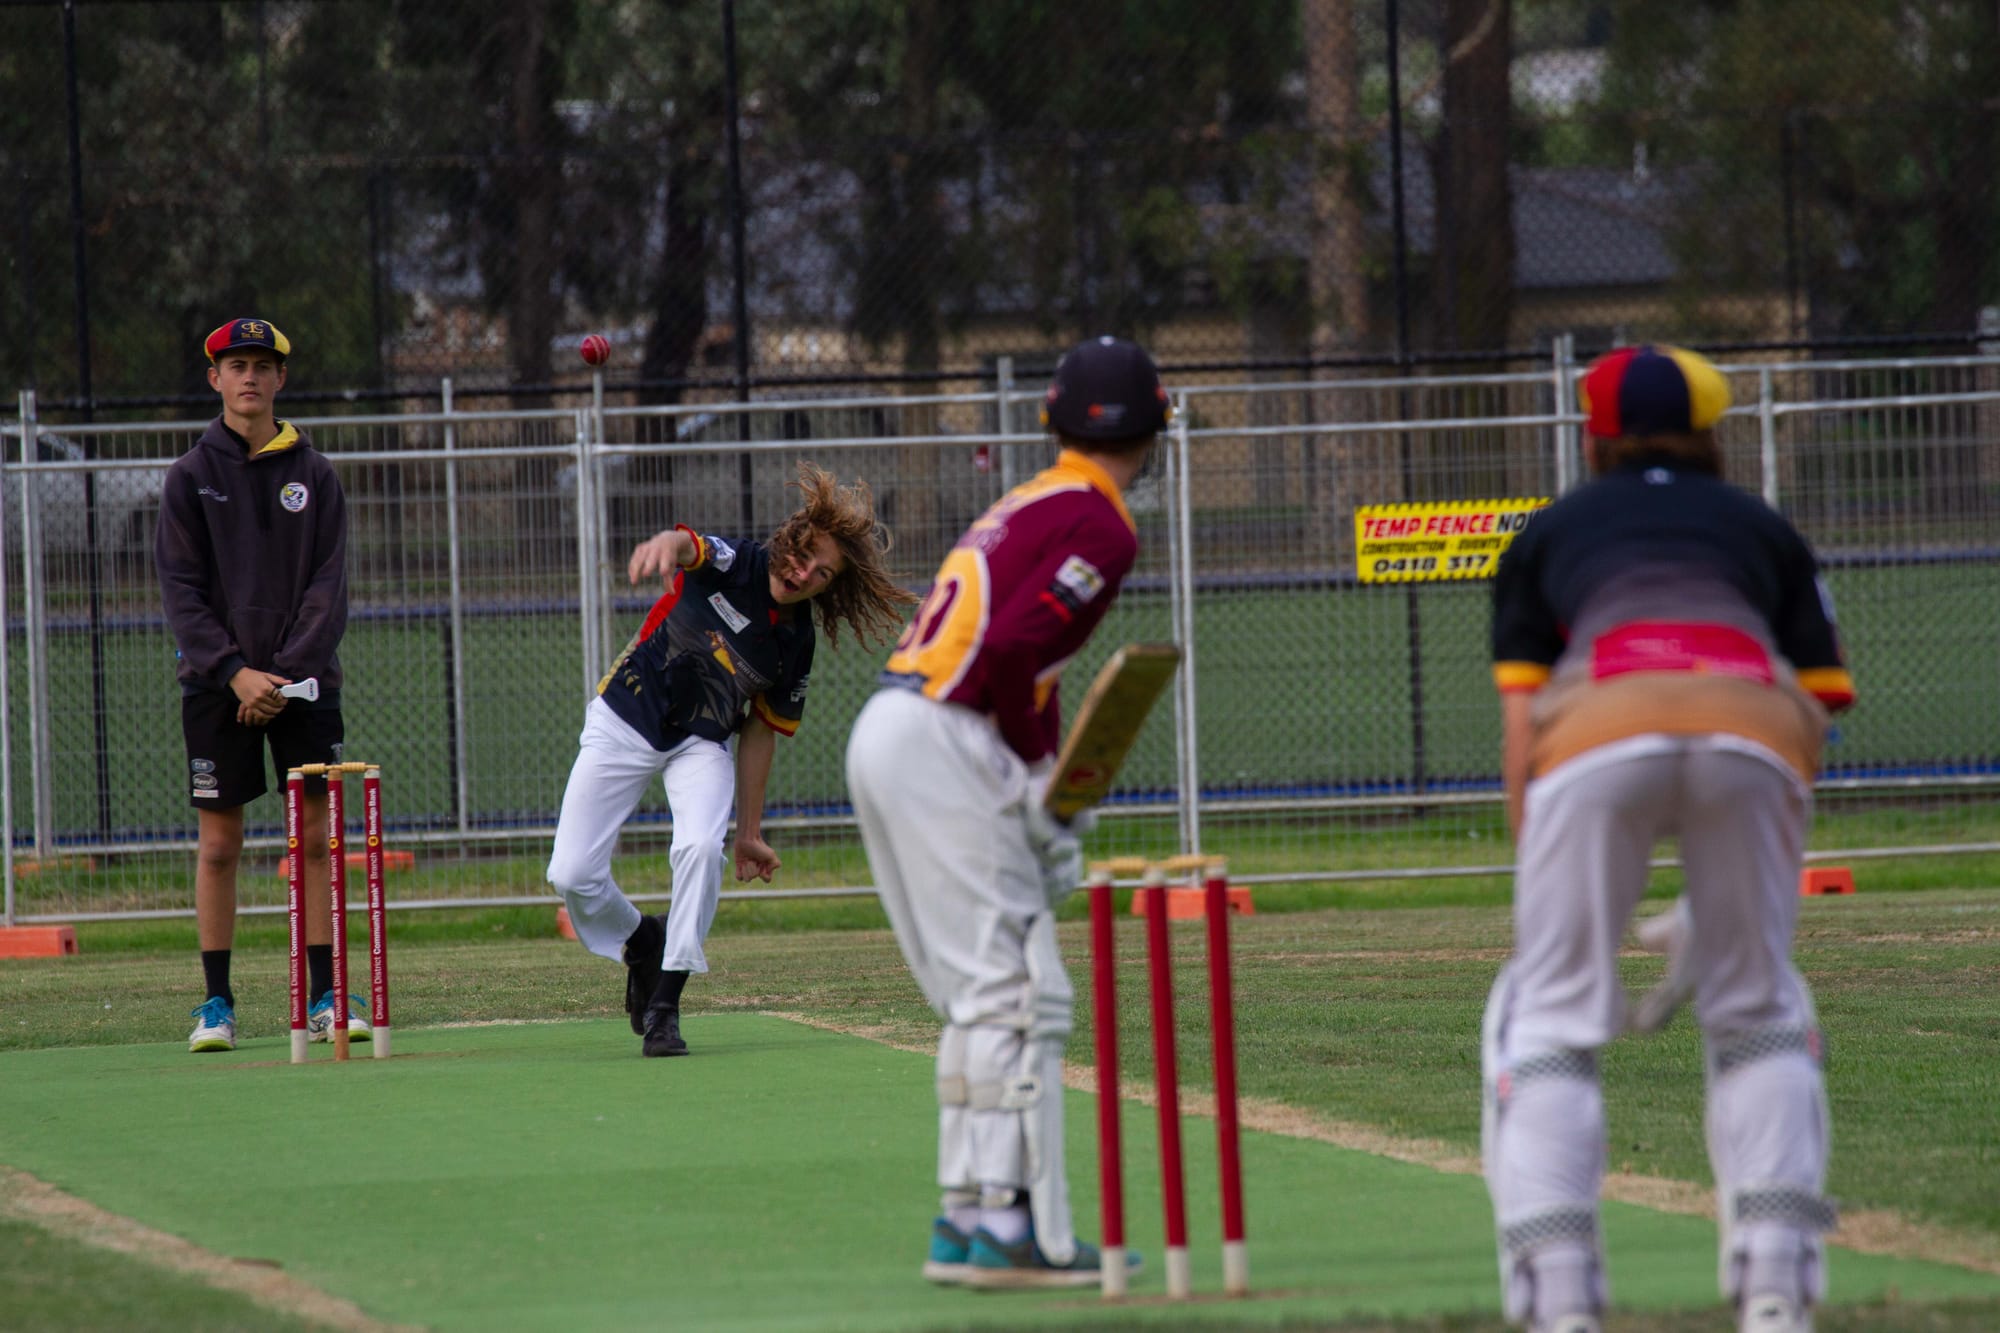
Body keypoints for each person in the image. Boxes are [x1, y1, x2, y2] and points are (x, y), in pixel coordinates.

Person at [1481, 345, 1857, 1333]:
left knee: (1548, 1013)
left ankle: (1561, 1299)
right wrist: (1734, 891)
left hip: (1595, 728)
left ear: (1594, 437)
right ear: (1709, 433)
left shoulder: (1551, 530)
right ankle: (1773, 1291)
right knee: (1757, 1006)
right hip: (1753, 728)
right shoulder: (1760, 527)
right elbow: (1817, 705)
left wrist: (1540, 878)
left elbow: (1522, 732)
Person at [844, 335, 1170, 1289]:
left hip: (894, 723)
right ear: (1153, 427)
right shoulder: (1102, 524)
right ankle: (1012, 1228)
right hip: (947, 735)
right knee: (1014, 994)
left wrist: (1046, 785)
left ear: (1051, 418)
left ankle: (965, 1216)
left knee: (980, 995)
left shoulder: (1028, 500)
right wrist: (1035, 780)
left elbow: (1029, 661)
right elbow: (1015, 653)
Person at [547, 461, 914, 1057]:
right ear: (789, 539)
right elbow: (688, 546)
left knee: (699, 849)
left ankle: (666, 1005)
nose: (805, 574)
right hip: (624, 718)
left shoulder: (795, 642)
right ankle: (642, 941)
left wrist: (748, 831)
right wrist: (664, 545)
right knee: (571, 875)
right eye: (804, 556)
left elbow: (761, 732)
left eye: (823, 574)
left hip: (702, 741)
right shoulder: (736, 561)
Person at [157, 318, 356, 1054]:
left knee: (314, 839)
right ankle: (217, 1002)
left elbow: (329, 588)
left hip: (303, 685)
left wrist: (286, 675)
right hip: (218, 686)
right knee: (219, 845)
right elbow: (181, 592)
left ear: (280, 379)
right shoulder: (189, 476)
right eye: (236, 365)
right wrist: (236, 672)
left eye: (262, 366)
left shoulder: (316, 474)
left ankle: (326, 995)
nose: (249, 377)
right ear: (215, 379)